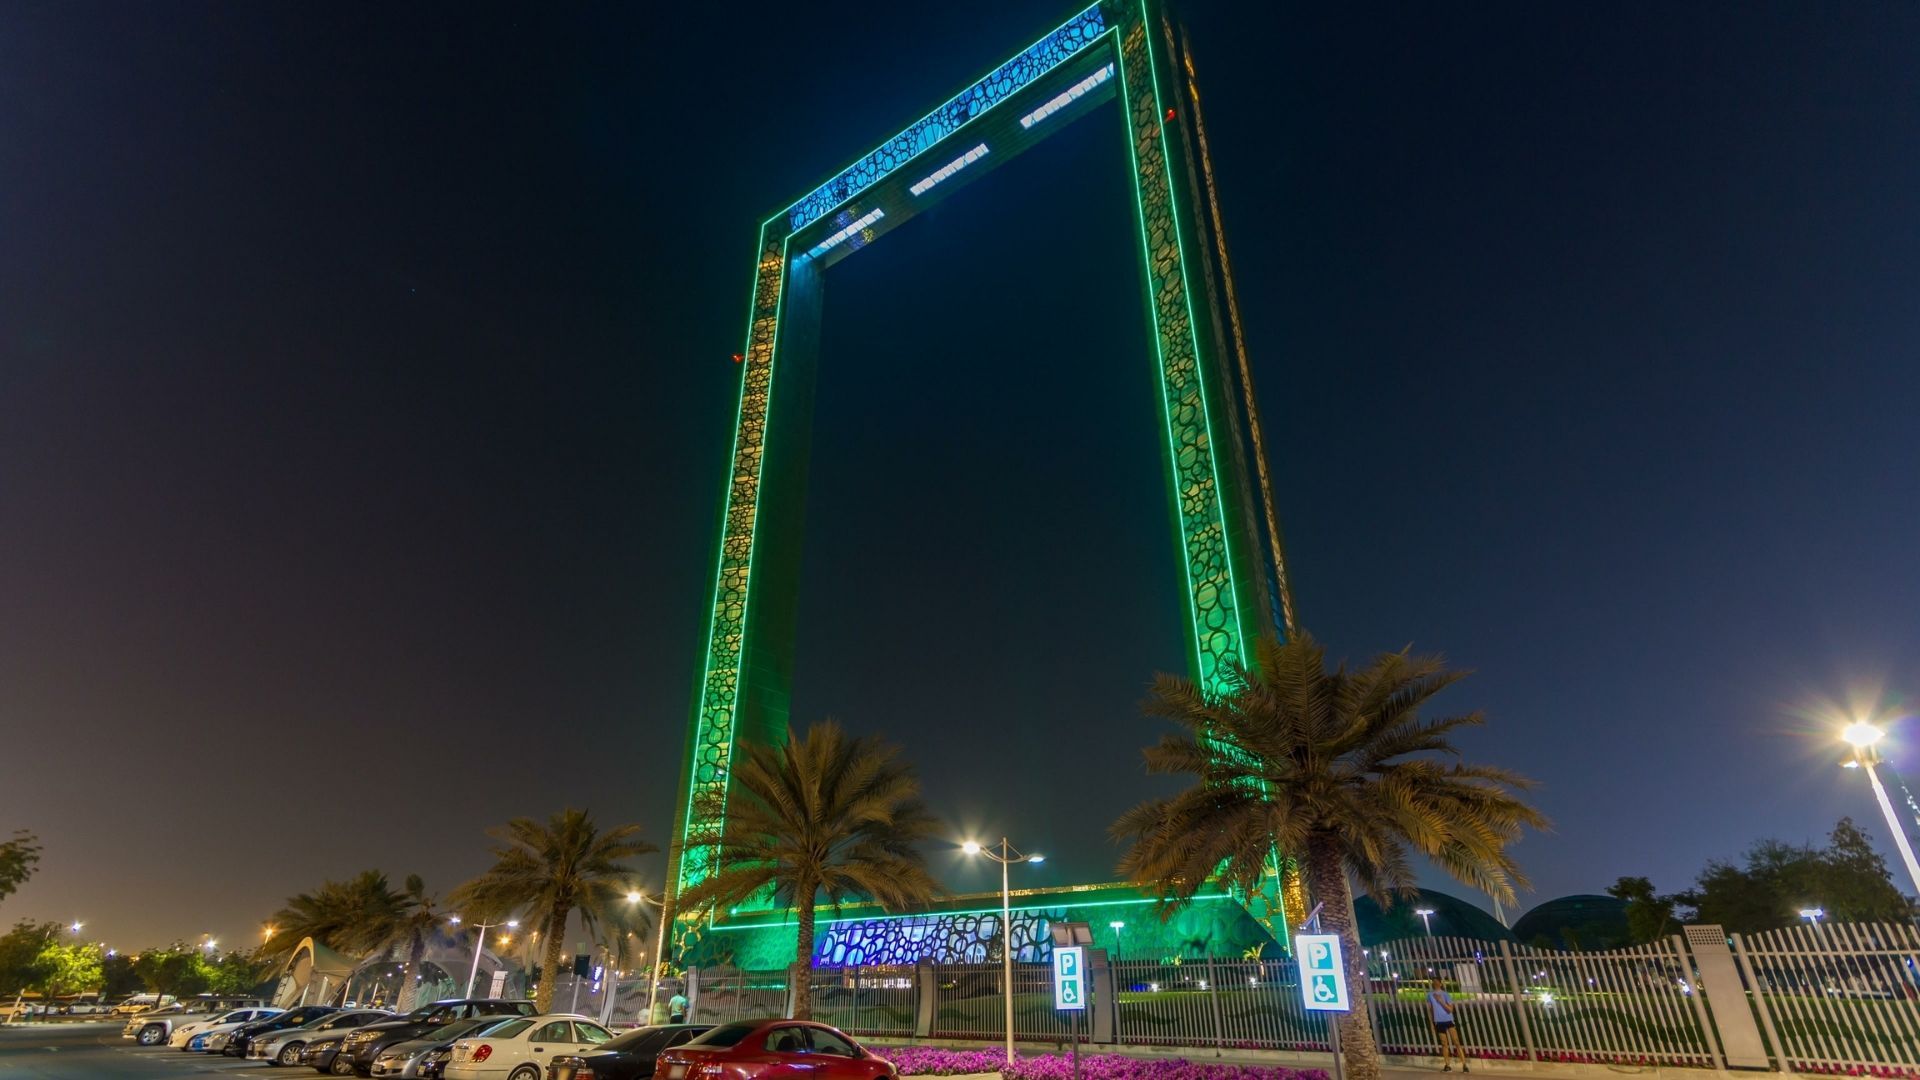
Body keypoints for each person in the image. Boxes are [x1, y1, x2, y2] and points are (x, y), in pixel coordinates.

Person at [1429, 978, 1467, 1072]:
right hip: (1439, 1022)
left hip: (1448, 1020)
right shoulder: (1429, 995)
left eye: (1437, 982)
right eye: (1433, 982)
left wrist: (1441, 1001)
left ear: (1441, 984)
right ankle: (1447, 1065)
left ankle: (1464, 1065)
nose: (1435, 983)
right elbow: (1430, 1010)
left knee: (1456, 1042)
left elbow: (1450, 1010)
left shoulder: (1445, 994)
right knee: (1444, 1044)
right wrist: (1432, 1023)